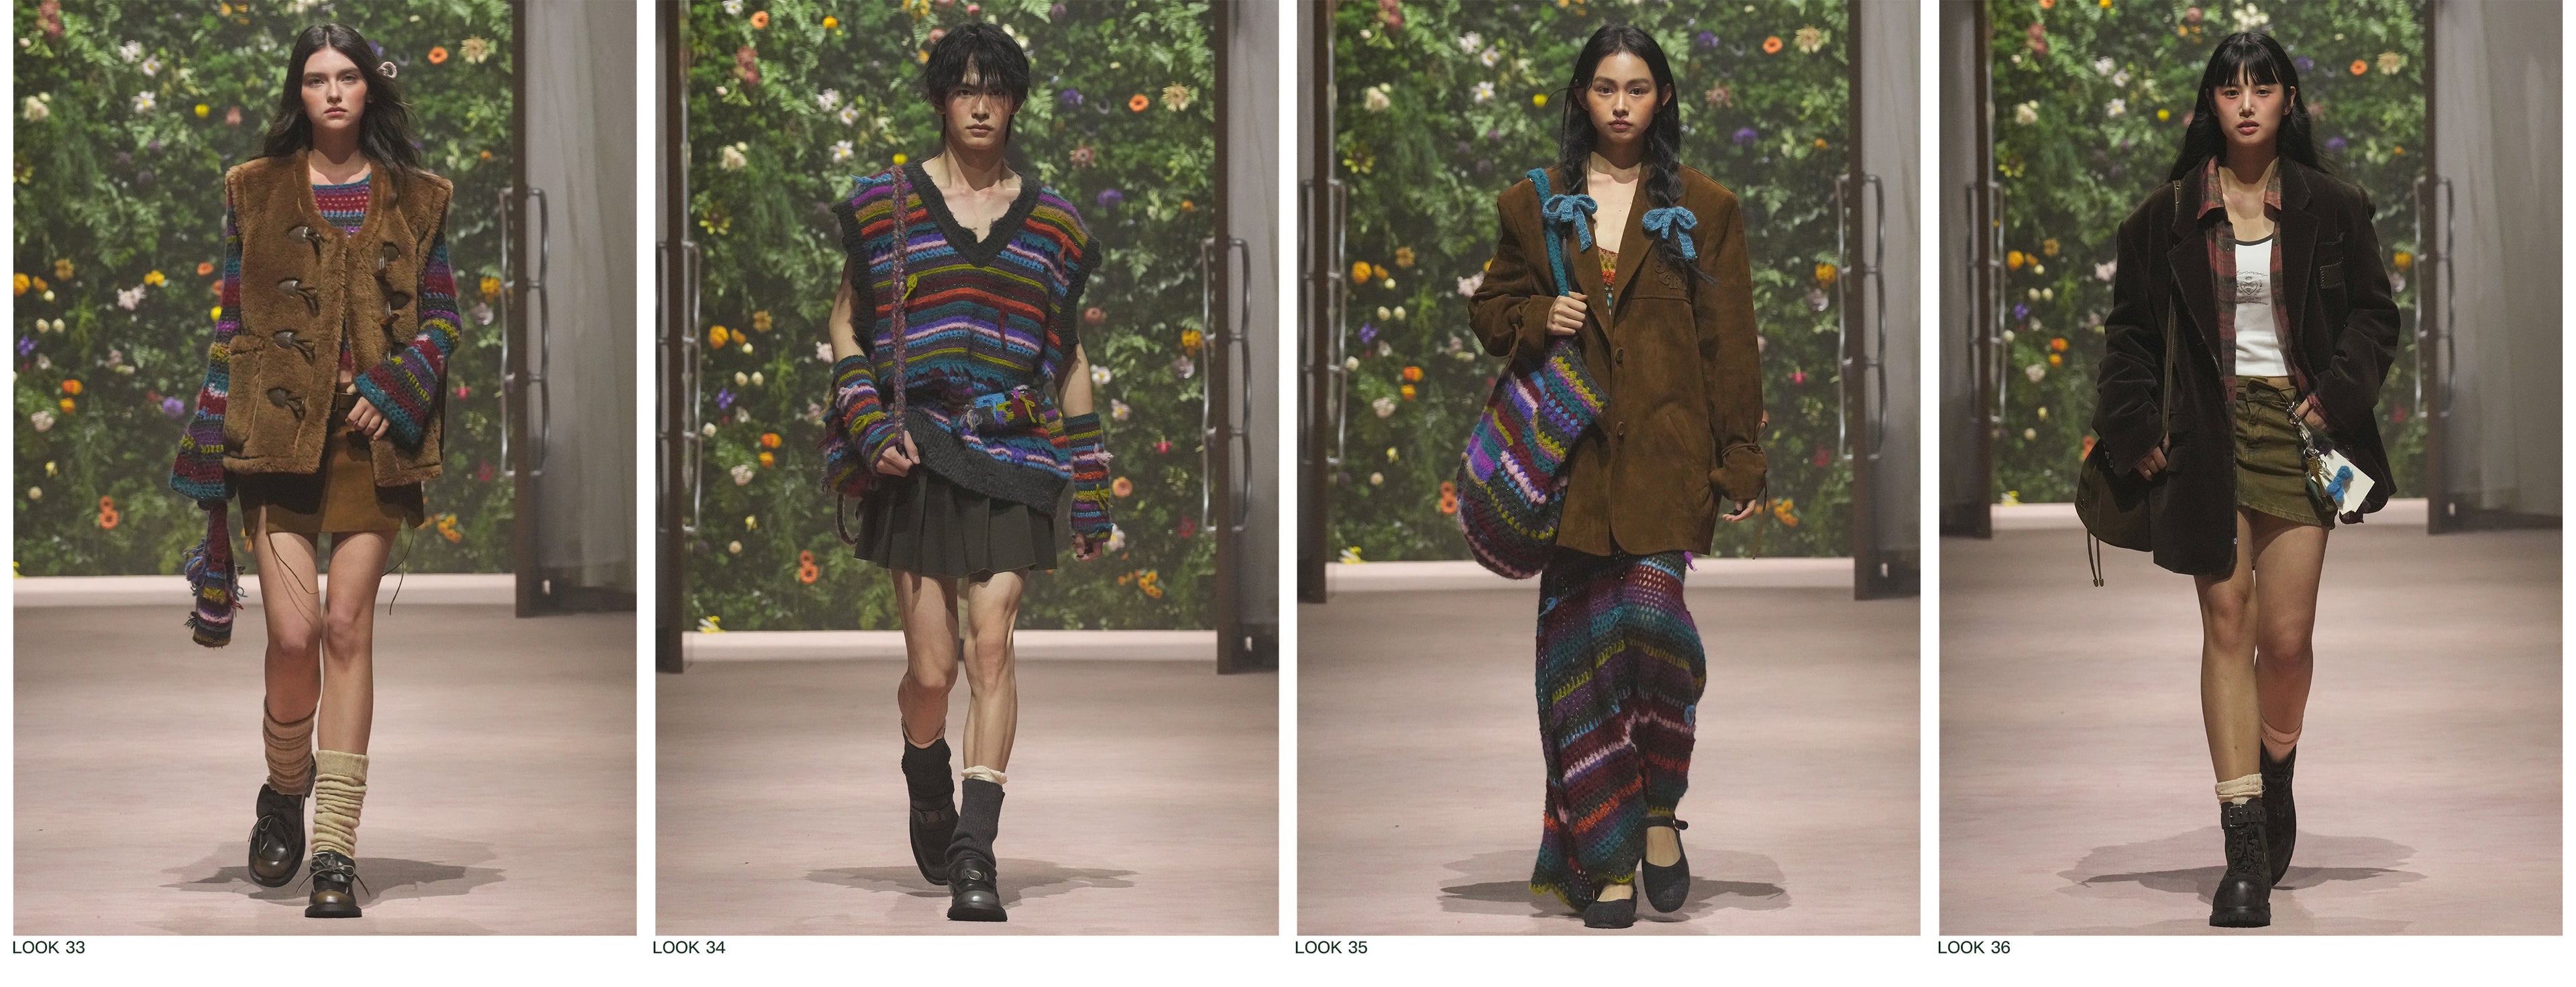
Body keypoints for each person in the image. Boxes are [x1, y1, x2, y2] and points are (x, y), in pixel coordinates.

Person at [2090, 32, 2399, 928]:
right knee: (2227, 621)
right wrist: (2134, 427)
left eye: (2263, 88)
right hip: (2205, 432)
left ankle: (2277, 761)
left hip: (2299, 433)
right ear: (2212, 105)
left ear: (2289, 101)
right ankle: (2244, 844)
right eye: (2232, 90)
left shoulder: (2334, 208)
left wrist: (2333, 399)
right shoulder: (2163, 218)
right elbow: (2130, 335)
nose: (2248, 104)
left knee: (2287, 640)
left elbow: (2375, 317)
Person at [1468, 23, 1764, 929]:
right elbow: (1489, 311)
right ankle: (1605, 859)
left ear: (1662, 98)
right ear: (1581, 97)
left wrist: (1741, 456)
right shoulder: (1534, 204)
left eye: (1637, 89)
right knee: (1581, 666)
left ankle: (1660, 807)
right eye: (1605, 88)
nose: (1622, 105)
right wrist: (1536, 314)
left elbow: (1729, 344)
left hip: (1668, 464)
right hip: (1573, 471)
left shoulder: (1706, 208)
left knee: (1652, 626)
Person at [820, 23, 1115, 923]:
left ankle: (975, 852)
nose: (980, 105)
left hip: (1015, 451)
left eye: (995, 90)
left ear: (1015, 104)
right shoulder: (887, 207)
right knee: (934, 673)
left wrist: (1090, 482)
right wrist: (866, 420)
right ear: (941, 101)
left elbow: (1069, 356)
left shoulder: (1054, 226)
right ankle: (925, 773)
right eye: (963, 89)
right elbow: (845, 324)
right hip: (916, 453)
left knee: (993, 646)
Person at [170, 22, 460, 919]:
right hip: (274, 437)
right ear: (297, 93)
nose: (333, 92)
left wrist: (399, 386)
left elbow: (444, 319)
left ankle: (335, 848)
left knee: (345, 629)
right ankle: (283, 786)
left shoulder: (419, 197)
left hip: (373, 443)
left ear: (371, 88)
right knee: (292, 639)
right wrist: (214, 441)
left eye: (347, 77)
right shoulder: (254, 190)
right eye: (315, 79)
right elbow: (232, 320)